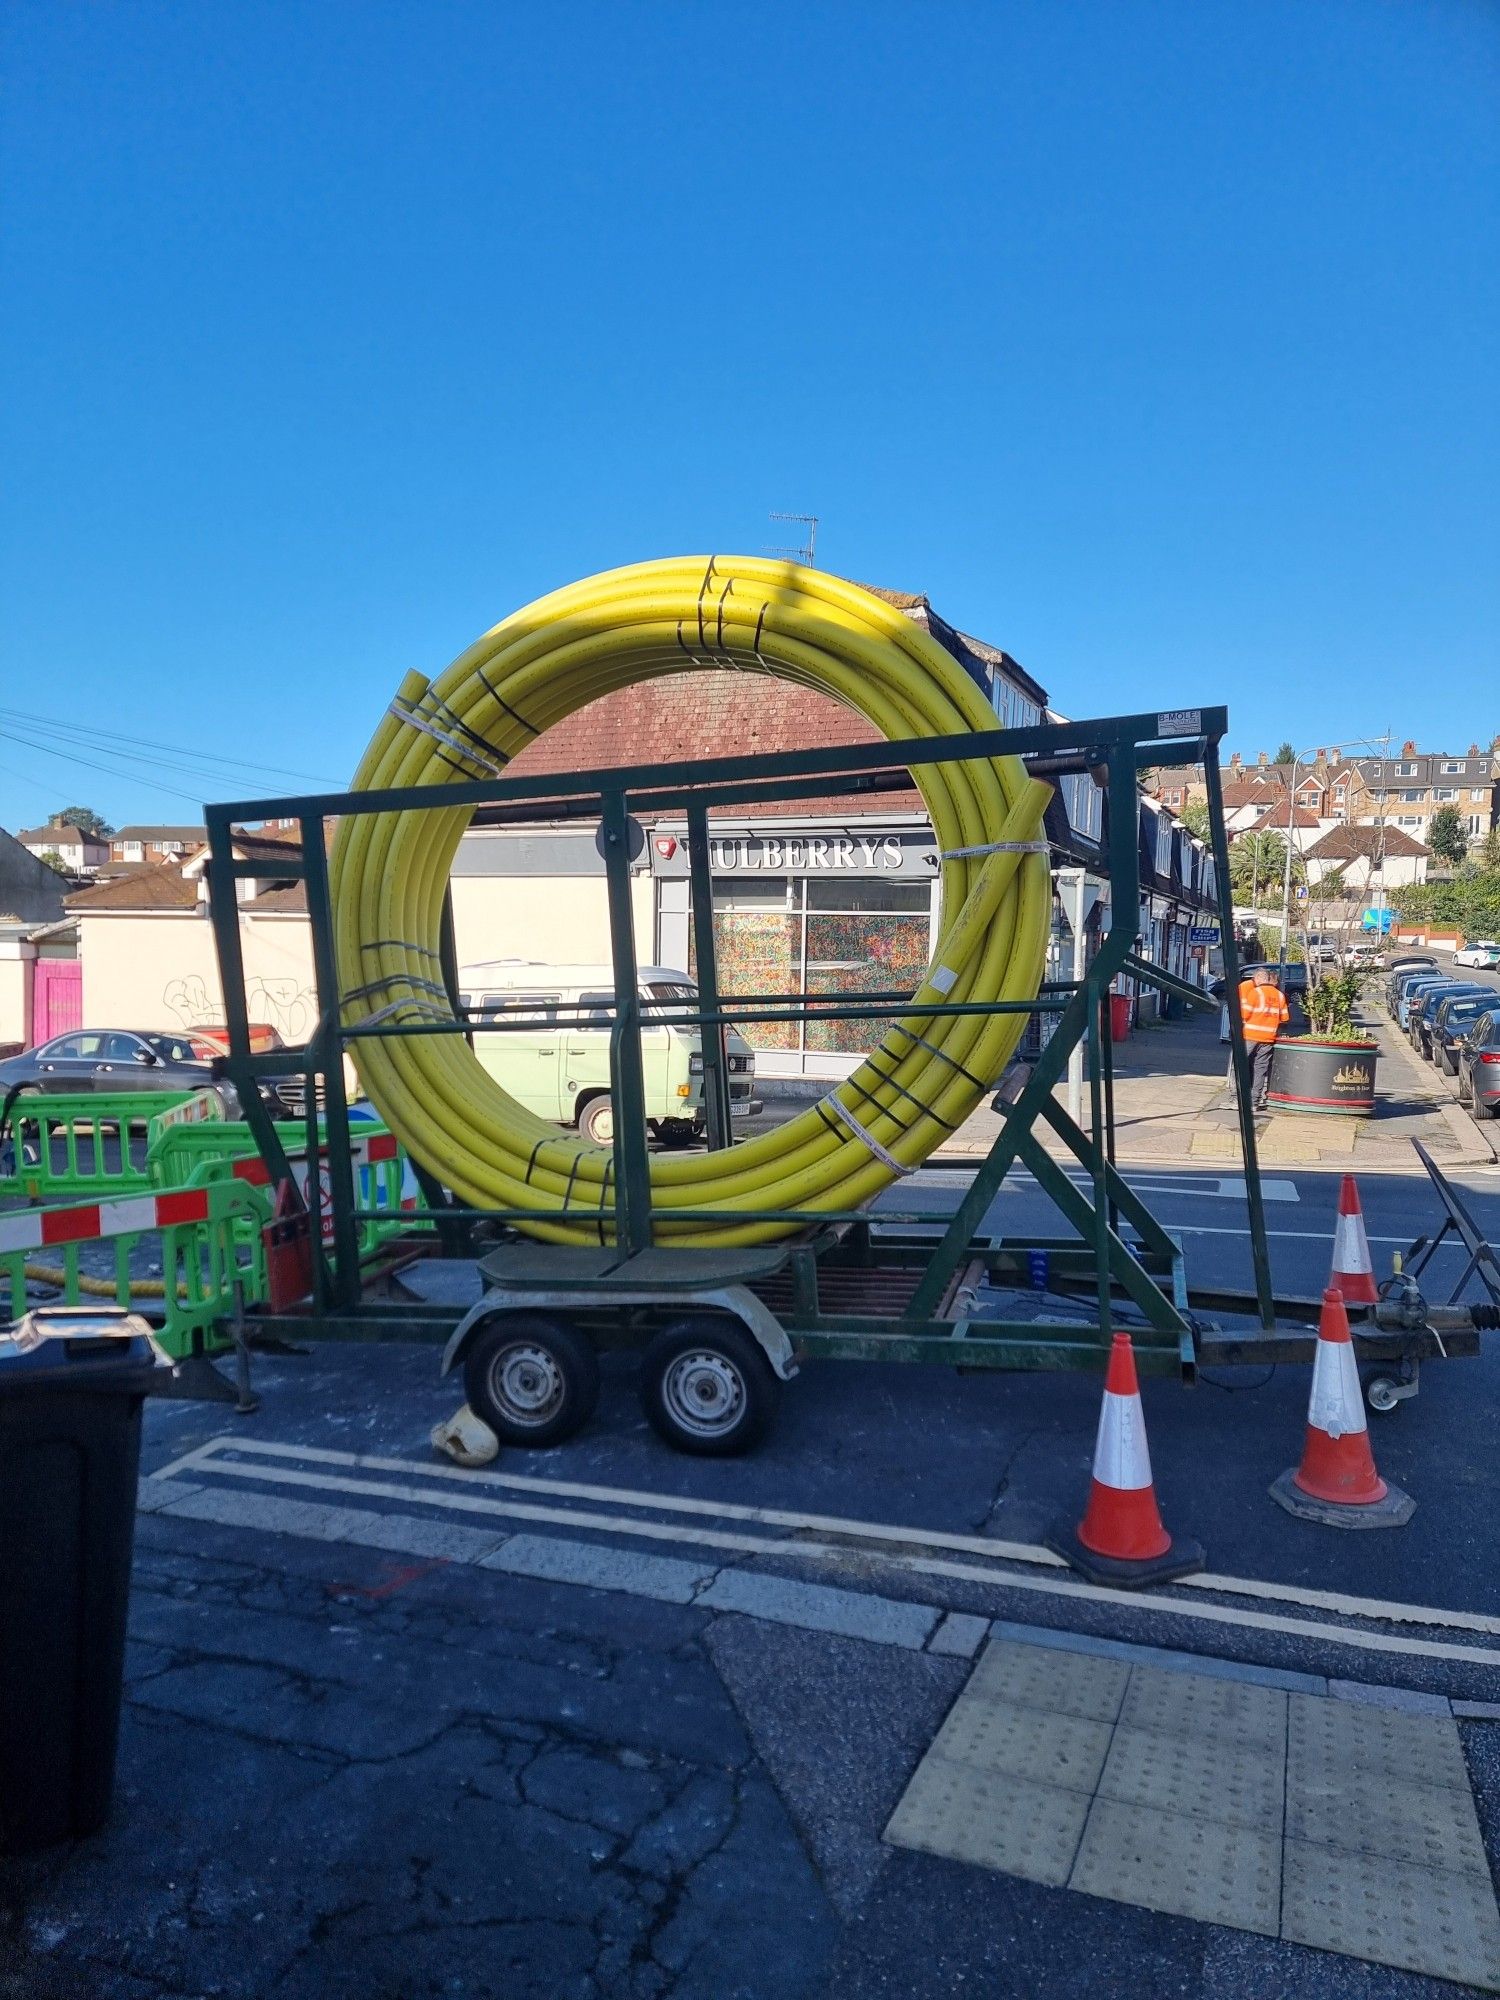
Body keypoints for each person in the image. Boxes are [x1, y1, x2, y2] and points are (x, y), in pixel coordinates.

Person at [1236, 963, 1289, 1111]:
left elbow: (1244, 1014)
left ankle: (1237, 1097)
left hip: (1250, 1035)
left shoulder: (1255, 993)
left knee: (1239, 1065)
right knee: (1260, 1069)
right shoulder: (1280, 996)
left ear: (1261, 979)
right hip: (1268, 1037)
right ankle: (1255, 1102)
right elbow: (1284, 1018)